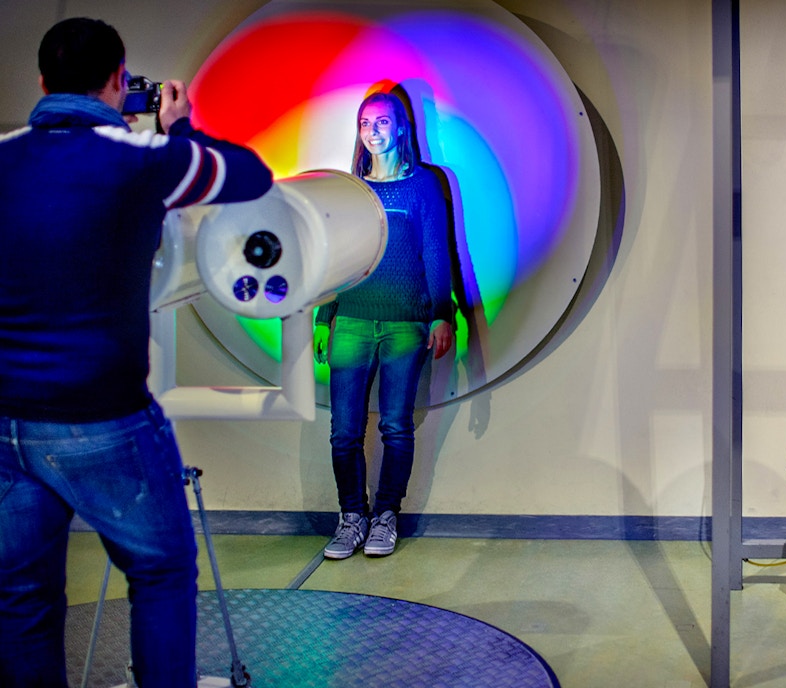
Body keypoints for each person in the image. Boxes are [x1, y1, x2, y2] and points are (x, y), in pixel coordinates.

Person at [0, 17, 273, 688]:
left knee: (21, 597)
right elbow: (250, 175)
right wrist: (176, 126)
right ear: (120, 82)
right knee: (160, 573)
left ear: (42, 82)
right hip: (104, 420)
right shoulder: (140, 160)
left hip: (6, 426)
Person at [314, 91, 454, 560]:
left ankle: (386, 516)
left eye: (381, 122)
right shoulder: (351, 187)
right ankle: (352, 517)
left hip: (405, 325)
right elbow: (336, 257)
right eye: (364, 123)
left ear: (401, 128)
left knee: (396, 426)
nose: (372, 132)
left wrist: (441, 312)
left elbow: (437, 251)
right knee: (344, 431)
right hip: (351, 319)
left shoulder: (424, 185)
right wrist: (323, 316)